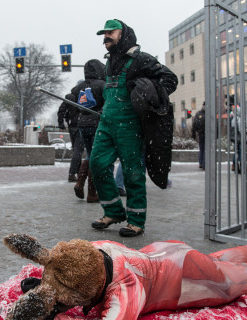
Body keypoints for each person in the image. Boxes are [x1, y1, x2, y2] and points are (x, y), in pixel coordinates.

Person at [3, 233, 247, 320]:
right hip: (167, 255)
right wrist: (50, 288)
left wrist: (57, 306)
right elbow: (65, 263)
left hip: (188, 278)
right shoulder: (97, 249)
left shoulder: (124, 290)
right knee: (219, 263)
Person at [90, 19, 178, 237]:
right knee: (97, 163)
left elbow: (170, 79)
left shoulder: (140, 59)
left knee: (132, 172)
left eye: (111, 32)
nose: (106, 37)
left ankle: (136, 220)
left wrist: (152, 94)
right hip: (107, 122)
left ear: (124, 34)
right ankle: (113, 211)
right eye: (104, 34)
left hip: (130, 125)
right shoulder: (110, 61)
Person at [71, 60, 105, 203]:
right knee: (95, 156)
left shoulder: (79, 87)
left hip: (83, 124)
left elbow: (73, 96)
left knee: (89, 154)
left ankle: (80, 183)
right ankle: (92, 192)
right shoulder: (102, 85)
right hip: (97, 123)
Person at [57, 92, 83, 182]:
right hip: (82, 125)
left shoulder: (69, 97)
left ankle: (79, 173)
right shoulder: (85, 94)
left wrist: (61, 122)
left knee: (76, 150)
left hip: (72, 126)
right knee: (78, 150)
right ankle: (72, 174)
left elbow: (61, 110)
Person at [192, 102, 206, 170]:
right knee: (205, 149)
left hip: (200, 133)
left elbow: (194, 124)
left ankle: (201, 163)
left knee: (202, 149)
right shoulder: (209, 113)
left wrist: (193, 134)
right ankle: (203, 164)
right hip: (206, 134)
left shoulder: (198, 114)